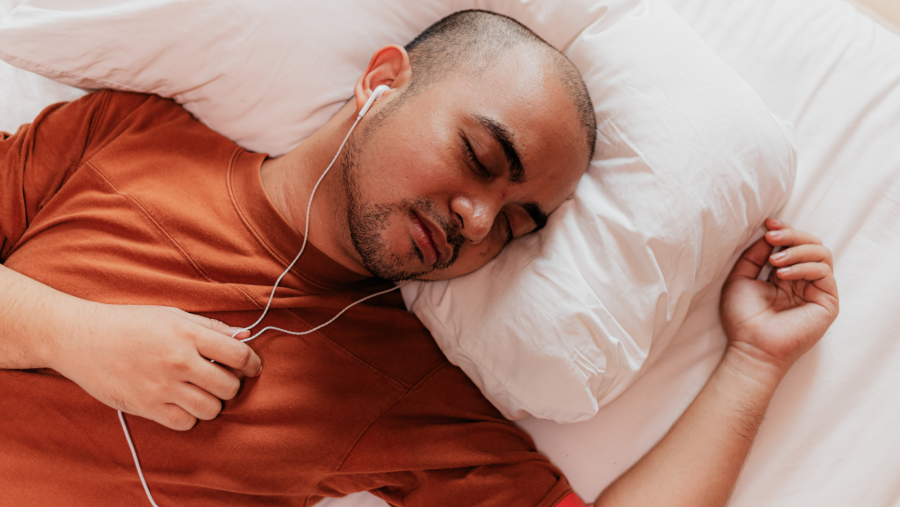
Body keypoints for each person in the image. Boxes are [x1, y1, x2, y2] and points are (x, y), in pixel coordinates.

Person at [0, 9, 837, 507]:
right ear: (382, 81)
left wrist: (754, 363)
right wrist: (74, 337)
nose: (477, 221)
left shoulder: (396, 385)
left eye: (516, 223)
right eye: (479, 158)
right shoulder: (130, 136)